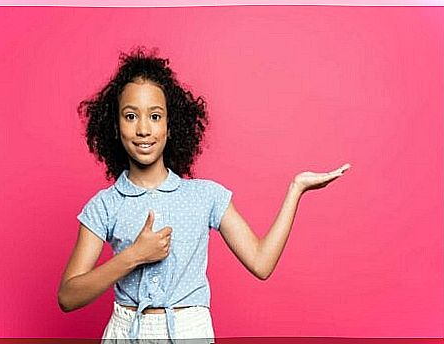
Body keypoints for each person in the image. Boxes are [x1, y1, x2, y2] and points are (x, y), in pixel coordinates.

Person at [57, 47, 351, 344]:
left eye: (155, 116)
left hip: (189, 332)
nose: (143, 129)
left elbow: (262, 263)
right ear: (115, 127)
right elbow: (68, 297)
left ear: (171, 127)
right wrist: (133, 256)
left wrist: (296, 189)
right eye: (131, 116)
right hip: (126, 330)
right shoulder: (104, 205)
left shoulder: (205, 196)